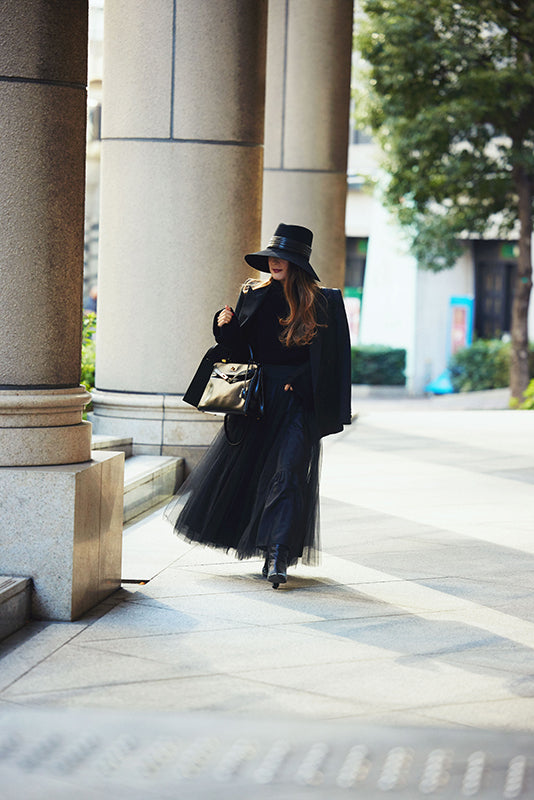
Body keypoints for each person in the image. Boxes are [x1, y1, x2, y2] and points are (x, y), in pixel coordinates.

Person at [164, 223, 352, 587]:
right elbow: (239, 351)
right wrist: (224, 329)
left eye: (282, 257)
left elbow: (331, 362)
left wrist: (294, 381)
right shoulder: (252, 293)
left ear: (298, 262)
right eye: (271, 255)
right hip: (258, 401)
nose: (274, 262)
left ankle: (277, 554)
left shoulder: (323, 302)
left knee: (290, 473)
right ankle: (265, 547)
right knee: (252, 473)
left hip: (299, 403)